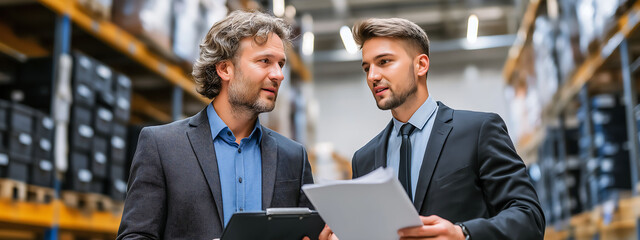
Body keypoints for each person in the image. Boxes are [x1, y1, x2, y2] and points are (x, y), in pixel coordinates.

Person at [320, 18, 544, 240]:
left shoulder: (478, 132)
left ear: (421, 65)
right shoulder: (364, 159)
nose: (372, 77)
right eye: (367, 68)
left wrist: (462, 233)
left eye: (384, 61)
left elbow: (528, 217)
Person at [117, 10, 314, 239]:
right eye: (265, 61)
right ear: (224, 69)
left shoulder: (293, 157)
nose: (278, 75)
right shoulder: (162, 147)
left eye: (280, 64)